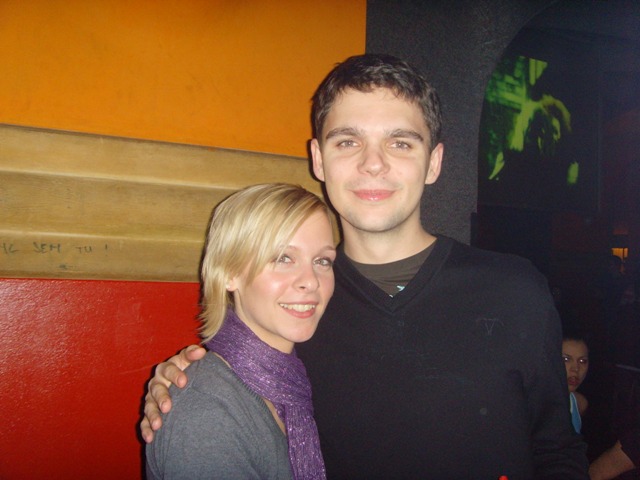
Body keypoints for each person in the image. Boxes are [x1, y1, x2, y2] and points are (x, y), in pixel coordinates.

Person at [141, 54, 588, 479]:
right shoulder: (300, 311)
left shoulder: (514, 290)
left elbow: (557, 451)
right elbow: (237, 384)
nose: (373, 163)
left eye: (400, 142)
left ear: (433, 163)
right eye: (348, 141)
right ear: (319, 159)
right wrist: (180, 383)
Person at [145, 183, 336, 479]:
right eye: (284, 258)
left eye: (322, 261)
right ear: (230, 272)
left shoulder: (299, 375)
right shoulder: (207, 415)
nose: (311, 281)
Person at [562, 333, 590, 433]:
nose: (576, 369)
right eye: (566, 359)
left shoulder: (580, 404)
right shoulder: (532, 403)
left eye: (582, 361)